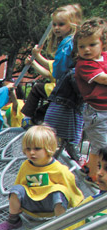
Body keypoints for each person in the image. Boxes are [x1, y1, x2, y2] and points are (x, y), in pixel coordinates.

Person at [0, 125, 84, 230]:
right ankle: (13, 220)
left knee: (59, 191)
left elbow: (71, 190)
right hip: (32, 204)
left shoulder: (59, 169)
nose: (32, 152)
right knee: (16, 189)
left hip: (50, 206)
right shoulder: (26, 166)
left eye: (37, 149)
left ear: (48, 148)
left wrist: (79, 203)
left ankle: (61, 225)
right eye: (28, 149)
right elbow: (19, 184)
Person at [32, 4, 84, 164]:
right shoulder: (70, 43)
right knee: (65, 131)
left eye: (61, 24)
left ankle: (50, 160)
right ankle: (65, 157)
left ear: (73, 24)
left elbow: (57, 70)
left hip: (66, 94)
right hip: (69, 94)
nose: (56, 28)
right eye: (54, 24)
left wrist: (37, 57)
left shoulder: (68, 44)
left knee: (52, 127)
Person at [74, 17, 107, 187]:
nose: (86, 49)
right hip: (97, 112)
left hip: (104, 110)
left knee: (98, 145)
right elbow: (102, 79)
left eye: (92, 44)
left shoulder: (104, 58)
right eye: (81, 46)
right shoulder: (85, 64)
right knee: (102, 146)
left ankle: (89, 169)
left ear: (103, 44)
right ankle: (95, 178)